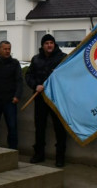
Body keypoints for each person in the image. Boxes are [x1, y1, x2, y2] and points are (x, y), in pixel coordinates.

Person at [26, 34, 68, 167]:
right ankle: (39, 154)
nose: (49, 45)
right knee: (39, 127)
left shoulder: (63, 59)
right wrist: (35, 85)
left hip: (56, 99)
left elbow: (68, 77)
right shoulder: (36, 59)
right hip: (40, 98)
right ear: (42, 45)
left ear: (54, 45)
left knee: (59, 129)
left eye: (51, 43)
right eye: (46, 43)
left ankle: (60, 157)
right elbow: (29, 75)